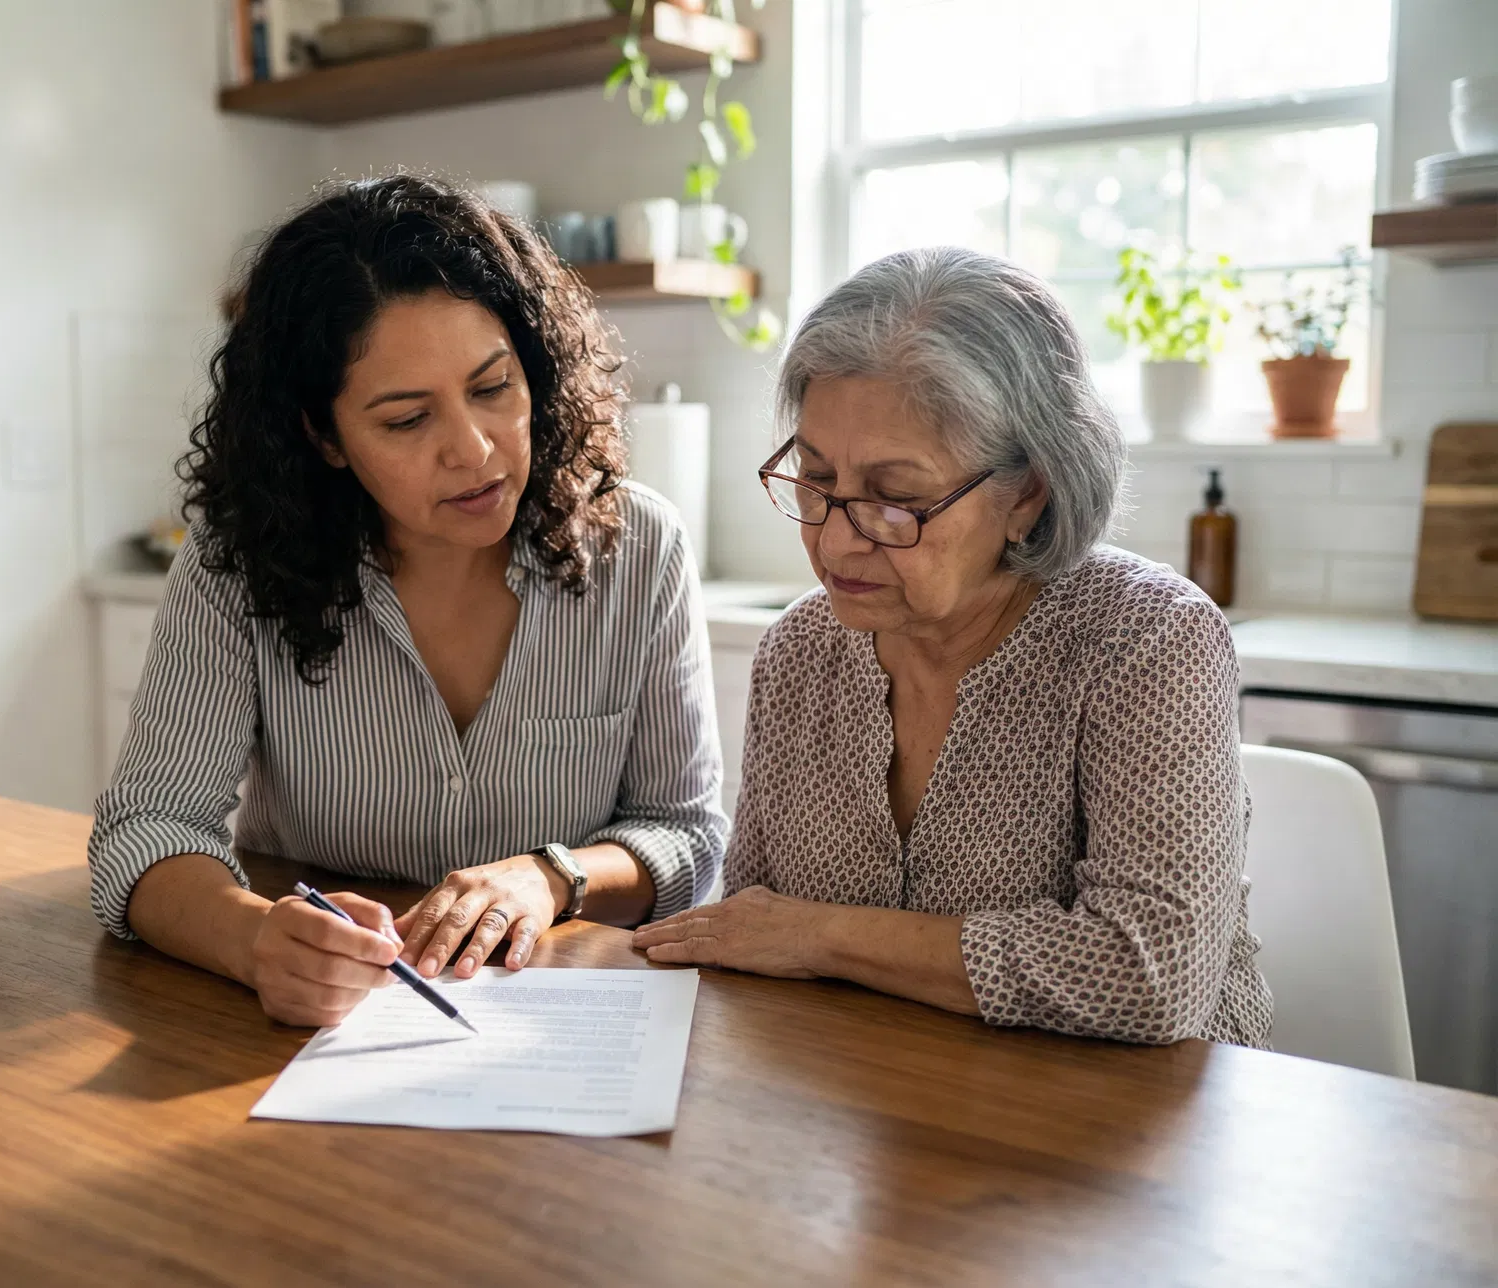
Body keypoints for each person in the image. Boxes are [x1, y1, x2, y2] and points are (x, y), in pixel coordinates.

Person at [89, 174, 725, 1027]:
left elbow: (687, 836)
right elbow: (146, 829)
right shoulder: (237, 566)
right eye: (404, 420)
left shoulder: (639, 550)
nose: (472, 450)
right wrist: (252, 939)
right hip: (320, 1034)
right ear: (323, 437)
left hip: (557, 1028)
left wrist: (548, 875)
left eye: (494, 388)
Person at [634, 246, 1272, 1047]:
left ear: (1028, 491)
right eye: (816, 479)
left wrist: (822, 935)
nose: (836, 542)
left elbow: (1149, 974)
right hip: (892, 1111)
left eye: (896, 500)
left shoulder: (1142, 640)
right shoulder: (801, 650)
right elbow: (753, 937)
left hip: (1152, 1130)